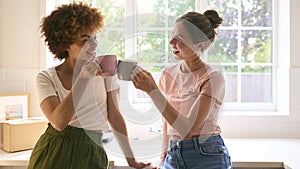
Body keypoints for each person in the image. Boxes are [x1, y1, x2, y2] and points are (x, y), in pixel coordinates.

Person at [27, 2, 150, 169]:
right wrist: (83, 78)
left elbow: (114, 117)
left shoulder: (105, 71)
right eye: (85, 40)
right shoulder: (46, 77)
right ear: (65, 44)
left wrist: (131, 160)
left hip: (92, 149)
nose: (94, 44)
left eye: (95, 38)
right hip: (54, 150)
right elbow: (59, 122)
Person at [131, 10, 231, 169]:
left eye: (180, 38)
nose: (171, 41)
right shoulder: (167, 74)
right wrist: (163, 155)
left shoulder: (213, 78)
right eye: (172, 34)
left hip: (206, 154)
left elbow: (187, 129)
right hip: (173, 153)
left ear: (201, 44)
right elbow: (167, 120)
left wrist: (152, 91)